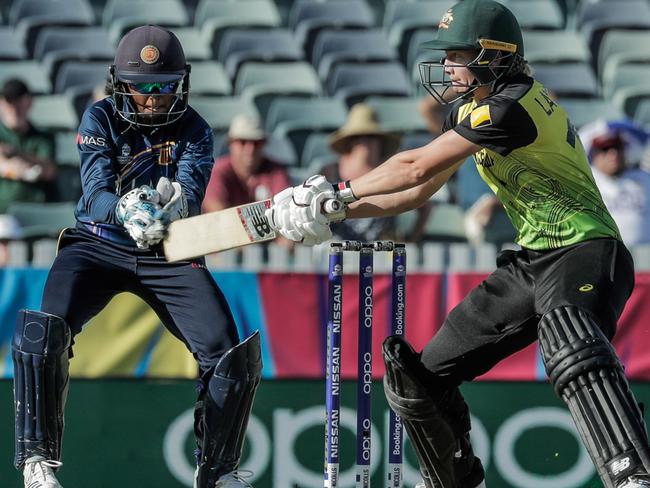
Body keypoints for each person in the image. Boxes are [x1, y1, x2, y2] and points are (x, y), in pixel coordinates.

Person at [265, 1, 650, 487]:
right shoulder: (468, 110)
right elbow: (417, 193)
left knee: (568, 338)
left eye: (459, 54)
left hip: (586, 249)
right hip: (531, 261)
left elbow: (414, 167)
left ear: (495, 55)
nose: (447, 64)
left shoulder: (512, 104)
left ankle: (632, 474)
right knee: (421, 381)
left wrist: (338, 192)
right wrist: (333, 212)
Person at [12, 25, 261, 488]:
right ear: (119, 83)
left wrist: (173, 206)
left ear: (180, 83)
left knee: (228, 353)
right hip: (97, 243)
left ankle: (219, 471)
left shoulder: (196, 129)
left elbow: (190, 189)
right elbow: (95, 191)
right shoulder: (100, 118)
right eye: (142, 86)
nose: (152, 97)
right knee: (40, 332)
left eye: (163, 86)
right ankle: (37, 462)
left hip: (166, 248)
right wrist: (125, 208)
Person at [202, 114, 291, 213]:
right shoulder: (218, 171)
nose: (250, 149)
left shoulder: (276, 171)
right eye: (243, 142)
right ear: (230, 143)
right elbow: (217, 213)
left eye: (256, 143)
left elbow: (285, 208)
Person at [580, 120, 650, 245]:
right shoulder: (585, 183)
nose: (613, 154)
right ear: (593, 153)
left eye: (617, 147)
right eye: (605, 148)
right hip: (603, 257)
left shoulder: (645, 179)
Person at [0, 78, 58, 213]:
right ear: (2, 104)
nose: (14, 108)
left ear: (29, 103)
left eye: (19, 101)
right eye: (9, 102)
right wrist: (12, 169)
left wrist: (16, 154)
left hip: (38, 210)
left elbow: (49, 171)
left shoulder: (43, 137)